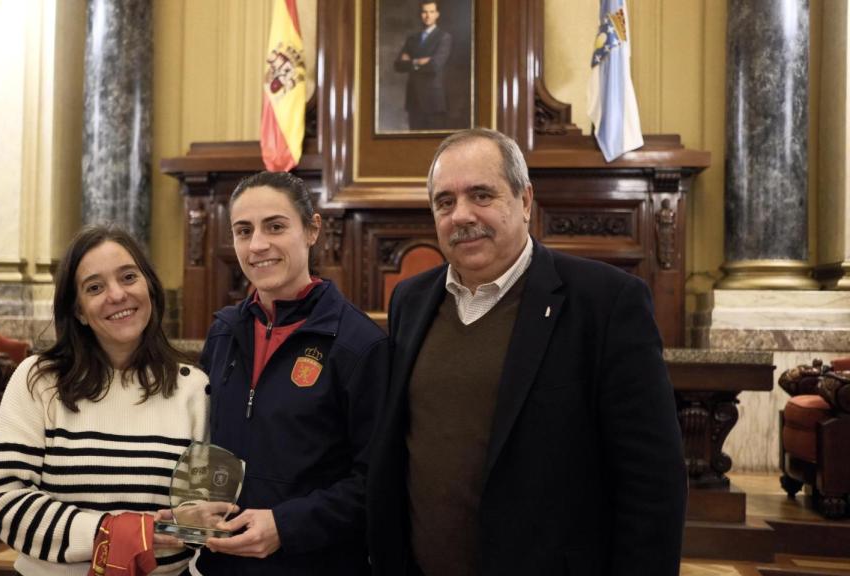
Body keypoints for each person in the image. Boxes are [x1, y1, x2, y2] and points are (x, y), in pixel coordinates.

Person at [366, 128, 687, 576]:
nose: (461, 215)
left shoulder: (607, 303)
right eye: (444, 202)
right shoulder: (410, 301)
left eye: (481, 195)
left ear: (524, 200)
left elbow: (653, 483)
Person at [0, 226, 207, 576]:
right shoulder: (38, 380)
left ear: (149, 286)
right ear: (79, 312)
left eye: (129, 277)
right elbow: (6, 502)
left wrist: (163, 532)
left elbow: (200, 522)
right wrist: (112, 533)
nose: (117, 295)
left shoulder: (194, 388)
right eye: (95, 287)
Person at [195, 171, 387, 575]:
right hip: (225, 564)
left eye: (276, 227)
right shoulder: (224, 331)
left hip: (316, 563)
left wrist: (286, 525)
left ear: (312, 229)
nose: (258, 244)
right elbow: (208, 444)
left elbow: (377, 481)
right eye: (243, 231)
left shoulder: (359, 343)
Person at [394, 1, 452, 130]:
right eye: (424, 12)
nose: (427, 16)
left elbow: (434, 65)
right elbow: (398, 65)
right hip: (413, 99)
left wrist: (410, 62)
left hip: (433, 100)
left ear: (437, 14)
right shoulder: (412, 39)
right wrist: (417, 62)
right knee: (413, 143)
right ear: (420, 15)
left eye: (431, 12)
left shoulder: (443, 37)